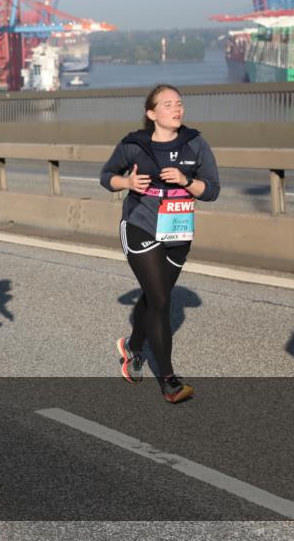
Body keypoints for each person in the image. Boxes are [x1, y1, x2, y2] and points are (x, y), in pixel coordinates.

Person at [100, 84, 220, 404]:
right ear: (152, 114)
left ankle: (133, 347)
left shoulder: (195, 144)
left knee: (157, 298)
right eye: (168, 105)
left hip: (178, 232)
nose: (176, 109)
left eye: (179, 103)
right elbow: (106, 176)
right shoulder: (134, 145)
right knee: (162, 301)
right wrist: (126, 182)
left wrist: (186, 182)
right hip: (140, 225)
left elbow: (212, 189)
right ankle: (169, 380)